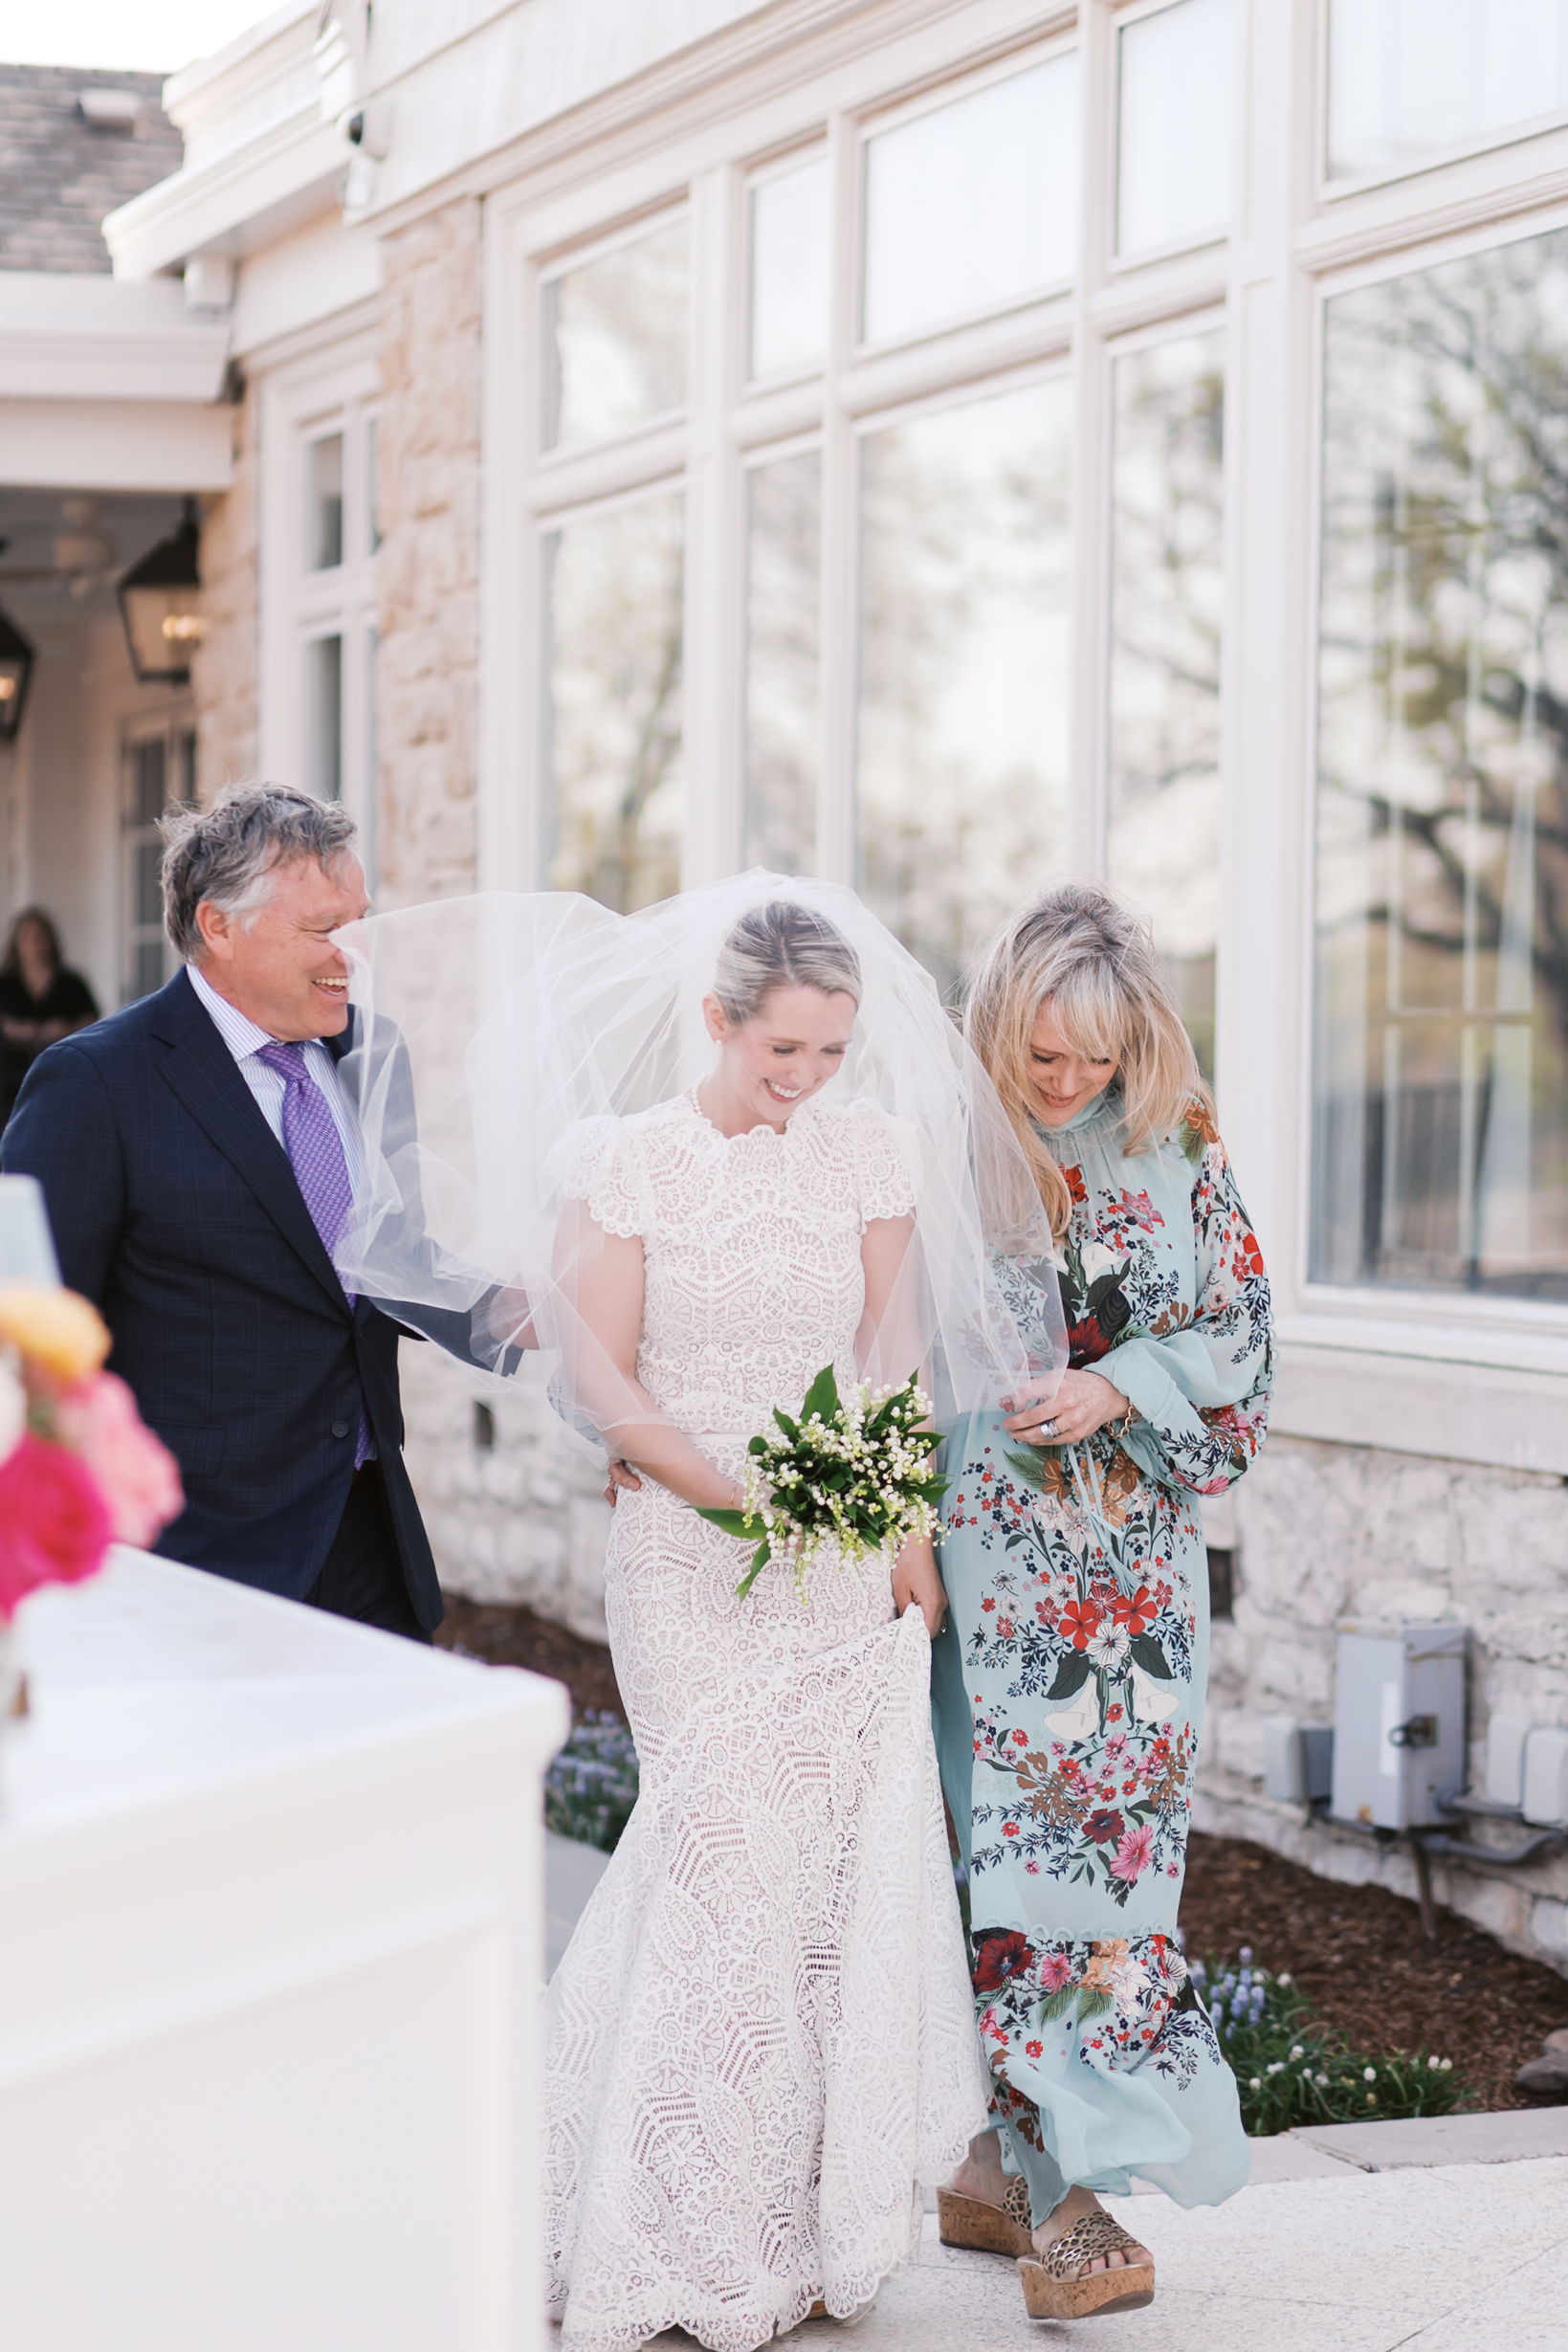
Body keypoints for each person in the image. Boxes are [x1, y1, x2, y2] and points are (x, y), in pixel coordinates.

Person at [330, 876, 1058, 2351]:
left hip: (840, 1559)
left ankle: (778, 2232)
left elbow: (889, 1361)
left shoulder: (868, 1158)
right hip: (686, 1550)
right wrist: (721, 1489)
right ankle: (653, 2235)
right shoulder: (629, 1164)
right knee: (716, 1864)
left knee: (800, 1905)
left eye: (826, 1053)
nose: (801, 1080)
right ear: (716, 1021)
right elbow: (599, 1376)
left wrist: (897, 1527)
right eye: (777, 1050)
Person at [931, 883, 1272, 2323]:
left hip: (1131, 1577)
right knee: (1008, 1865)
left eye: (1090, 1056)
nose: (1064, 1082)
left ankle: (993, 2170)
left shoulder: (1173, 1142)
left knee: (1118, 1873)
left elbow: (1240, 1346)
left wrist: (1115, 1381)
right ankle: (1058, 2201)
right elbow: (882, 1336)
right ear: (995, 1030)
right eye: (1039, 1054)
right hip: (991, 1570)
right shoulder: (949, 1150)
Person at [1, 784, 442, 1641]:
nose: (352, 954)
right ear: (218, 926)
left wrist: (558, 1325)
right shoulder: (96, 1083)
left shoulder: (373, 1054)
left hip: (369, 1534)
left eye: (359, 922)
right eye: (324, 929)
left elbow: (395, 1268)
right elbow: (28, 1336)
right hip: (194, 1563)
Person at [0, 907, 99, 1124]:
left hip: (62, 1074)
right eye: (27, 937)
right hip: (10, 1079)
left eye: (40, 937)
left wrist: (66, 1029)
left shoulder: (71, 982)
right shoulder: (5, 982)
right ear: (16, 943)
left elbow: (94, 1023)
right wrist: (15, 1030)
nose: (34, 943)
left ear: (51, 941)